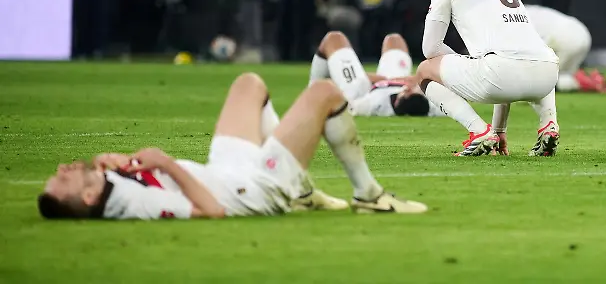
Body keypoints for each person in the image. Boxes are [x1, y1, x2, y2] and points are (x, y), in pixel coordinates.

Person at [38, 69, 427, 219]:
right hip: (252, 189)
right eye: (64, 180)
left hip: (223, 171)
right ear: (89, 197)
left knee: (248, 84)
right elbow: (212, 211)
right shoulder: (133, 204)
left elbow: (144, 179)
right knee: (324, 93)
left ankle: (304, 193)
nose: (61, 169)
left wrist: (121, 163)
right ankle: (369, 195)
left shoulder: (108, 187)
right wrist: (164, 162)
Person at [410, 0, 561, 157]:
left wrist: (467, 63)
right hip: (548, 76)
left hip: (501, 73)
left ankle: (479, 131)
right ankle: (549, 124)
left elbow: (430, 49)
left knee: (425, 70)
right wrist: (500, 129)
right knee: (522, 56)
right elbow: (509, 55)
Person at [309, 32, 442, 117]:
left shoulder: (369, 105)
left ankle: (312, 96)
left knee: (333, 39)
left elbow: (343, 106)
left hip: (364, 90)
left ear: (404, 95)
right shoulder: (436, 106)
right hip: (392, 82)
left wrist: (370, 78)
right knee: (394, 40)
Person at [525, 5, 606, 93]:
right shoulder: (525, 9)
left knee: (539, 80)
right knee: (565, 74)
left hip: (562, 39)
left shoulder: (519, 18)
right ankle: (590, 80)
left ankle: (587, 83)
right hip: (581, 31)